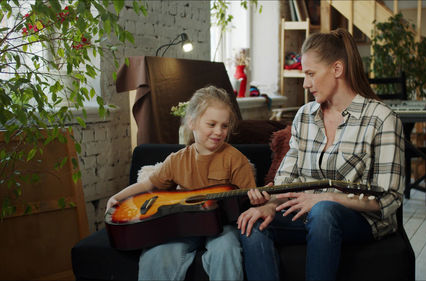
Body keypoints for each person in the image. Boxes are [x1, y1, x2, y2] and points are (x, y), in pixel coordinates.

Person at [237, 29, 405, 280]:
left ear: (337, 69)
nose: (305, 83)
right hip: (306, 213)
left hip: (359, 220)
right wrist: (271, 205)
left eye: (310, 74)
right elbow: (286, 179)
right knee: (250, 223)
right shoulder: (304, 116)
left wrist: (326, 199)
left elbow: (389, 199)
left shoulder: (381, 118)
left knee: (324, 212)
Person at [106, 85, 256, 280]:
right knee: (156, 254)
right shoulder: (177, 160)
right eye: (211, 124)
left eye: (224, 126)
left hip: (222, 225)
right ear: (192, 123)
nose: (218, 131)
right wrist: (117, 197)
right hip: (185, 225)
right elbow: (148, 185)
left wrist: (258, 200)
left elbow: (250, 198)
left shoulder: (236, 159)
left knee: (227, 250)